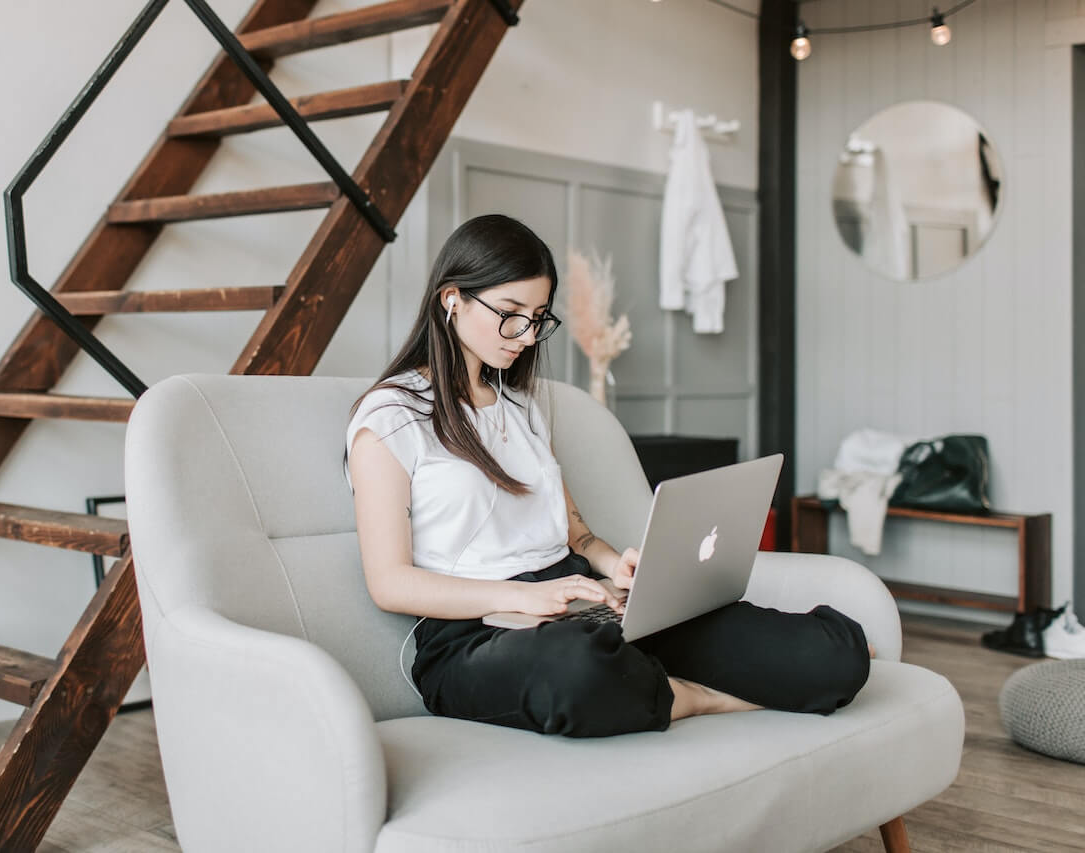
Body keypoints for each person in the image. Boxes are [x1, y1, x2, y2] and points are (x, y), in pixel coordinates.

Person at [344, 214, 871, 738]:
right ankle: (700, 698)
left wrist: (618, 567)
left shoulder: (522, 407)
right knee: (582, 670)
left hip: (580, 606)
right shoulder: (390, 419)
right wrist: (517, 596)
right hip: (475, 638)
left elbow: (580, 535)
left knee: (829, 655)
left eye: (538, 318)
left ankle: (666, 680)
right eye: (510, 314)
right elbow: (390, 583)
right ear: (451, 298)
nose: (526, 336)